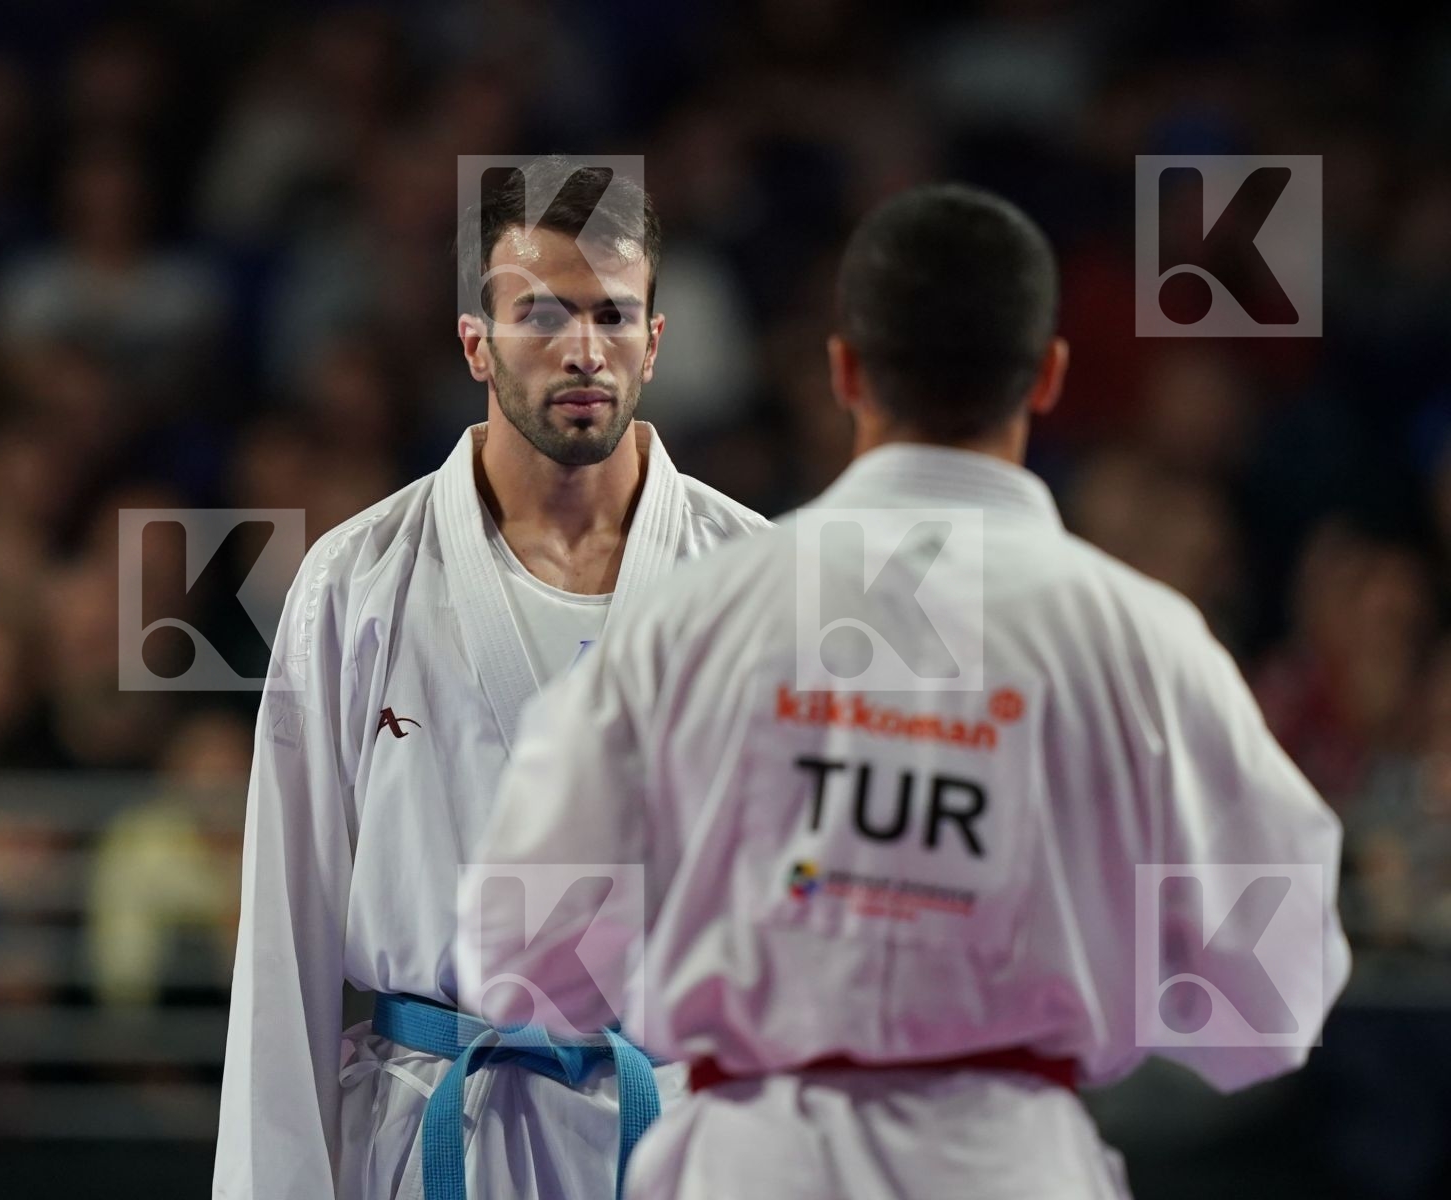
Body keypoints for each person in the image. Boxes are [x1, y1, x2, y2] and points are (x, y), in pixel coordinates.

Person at [458, 184, 1351, 1199]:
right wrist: (1078, 973)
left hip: (755, 1163)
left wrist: (747, 945)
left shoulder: (689, 619)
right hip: (1012, 1165)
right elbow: (1275, 997)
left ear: (842, 370)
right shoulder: (1144, 643)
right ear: (1050, 376)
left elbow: (522, 955)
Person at [213, 158, 770, 1200]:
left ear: (655, 341)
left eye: (613, 316)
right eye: (541, 314)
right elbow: (283, 950)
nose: (582, 349)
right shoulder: (354, 583)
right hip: (433, 1130)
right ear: (476, 343)